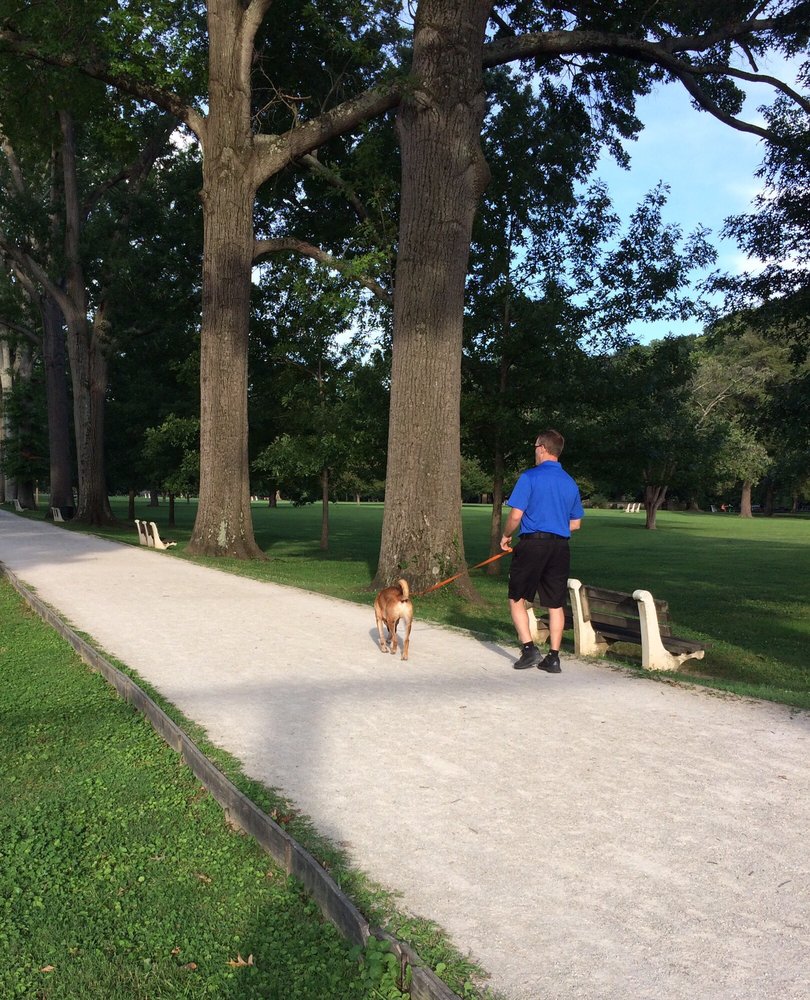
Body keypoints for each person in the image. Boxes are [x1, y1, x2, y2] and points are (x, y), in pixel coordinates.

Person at [500, 429, 584, 673]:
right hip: (560, 546)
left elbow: (516, 515)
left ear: (543, 448)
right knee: (555, 602)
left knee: (517, 597)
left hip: (533, 543)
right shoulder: (569, 482)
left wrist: (506, 536)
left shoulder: (530, 477)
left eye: (535, 446)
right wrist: (556, 526)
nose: (534, 450)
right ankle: (554, 657)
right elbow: (576, 523)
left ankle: (529, 649)